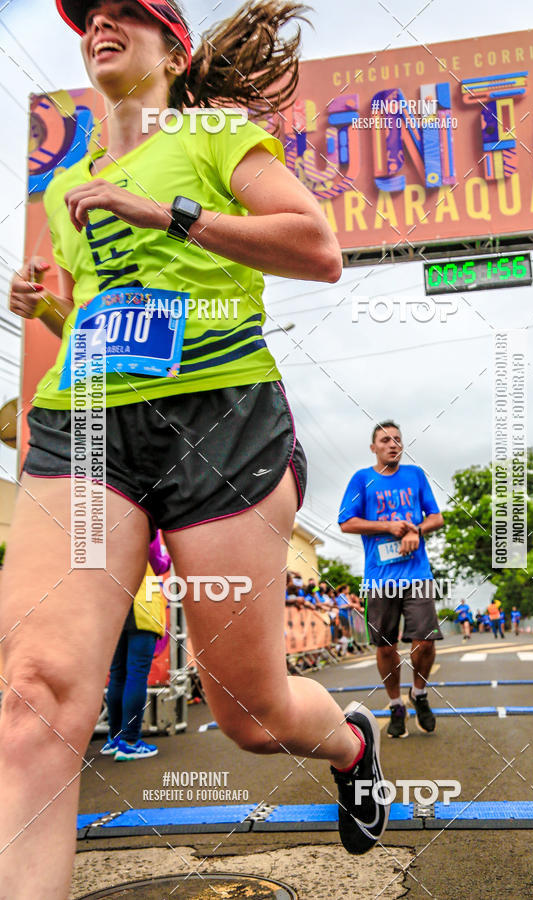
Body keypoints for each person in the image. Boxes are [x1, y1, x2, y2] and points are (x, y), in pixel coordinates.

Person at [1, 4, 390, 894]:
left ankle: (350, 742)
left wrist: (168, 211)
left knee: (251, 713)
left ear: (173, 52)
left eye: (125, 13)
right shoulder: (67, 191)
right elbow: (108, 318)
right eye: (88, 15)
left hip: (223, 421)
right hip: (91, 422)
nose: (101, 22)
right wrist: (48, 312)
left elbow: (316, 248)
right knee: (34, 694)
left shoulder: (214, 135)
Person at [338, 420, 444, 739]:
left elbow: (436, 517)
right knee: (386, 646)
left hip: (416, 573)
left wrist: (416, 530)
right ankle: (396, 704)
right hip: (379, 578)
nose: (393, 444)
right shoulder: (362, 479)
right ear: (374, 448)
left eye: (397, 439)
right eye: (385, 440)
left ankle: (420, 694)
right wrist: (387, 527)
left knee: (425, 639)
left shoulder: (415, 475)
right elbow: (346, 522)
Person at [102, 533, 171, 760]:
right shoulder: (146, 523)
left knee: (117, 675)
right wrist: (168, 556)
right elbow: (158, 562)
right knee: (137, 675)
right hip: (141, 601)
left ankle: (115, 738)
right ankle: (130, 742)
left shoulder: (104, 524)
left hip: (112, 603)